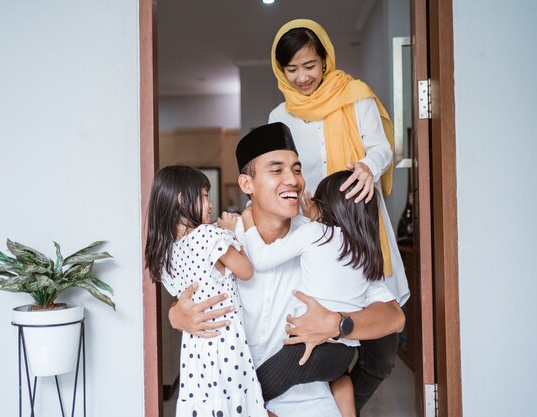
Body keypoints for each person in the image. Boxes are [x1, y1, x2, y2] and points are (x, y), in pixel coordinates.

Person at [169, 123, 405, 417]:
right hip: (237, 403)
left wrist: (338, 323)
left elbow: (393, 317)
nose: (293, 180)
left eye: (296, 169)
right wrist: (176, 316)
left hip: (312, 405)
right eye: (277, 170)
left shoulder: (324, 239)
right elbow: (186, 299)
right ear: (246, 184)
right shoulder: (219, 242)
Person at [268, 19, 411, 411]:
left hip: (362, 229)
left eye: (310, 65)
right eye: (291, 69)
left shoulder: (354, 95)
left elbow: (381, 148)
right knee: (320, 353)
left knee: (381, 357)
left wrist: (367, 166)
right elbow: (278, 173)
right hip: (314, 236)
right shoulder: (279, 115)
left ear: (325, 59)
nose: (302, 77)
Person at [241, 169, 394, 417]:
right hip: (342, 356)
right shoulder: (365, 252)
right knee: (341, 379)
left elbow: (261, 258)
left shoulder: (314, 233)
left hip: (303, 352)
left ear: (324, 207)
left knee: (251, 394)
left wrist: (246, 219)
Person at [144, 165, 267, 417]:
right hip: (226, 342)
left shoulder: (167, 252)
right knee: (236, 404)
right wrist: (232, 234)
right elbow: (246, 271)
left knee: (207, 406)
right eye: (204, 195)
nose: (209, 204)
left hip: (195, 349)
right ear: (181, 199)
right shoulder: (209, 236)